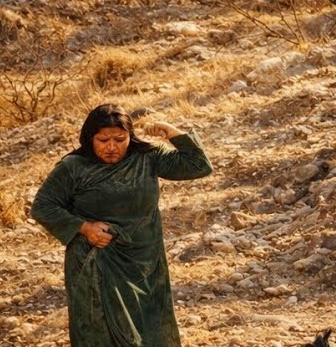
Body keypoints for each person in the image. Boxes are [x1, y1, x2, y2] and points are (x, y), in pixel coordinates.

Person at [32, 104, 212, 346]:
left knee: (151, 329)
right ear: (89, 138)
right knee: (100, 331)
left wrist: (172, 132)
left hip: (145, 262)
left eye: (120, 139)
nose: (111, 146)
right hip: (96, 262)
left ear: (130, 136)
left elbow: (198, 166)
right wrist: (85, 228)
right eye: (103, 140)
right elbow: (43, 206)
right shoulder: (73, 167)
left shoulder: (146, 158)